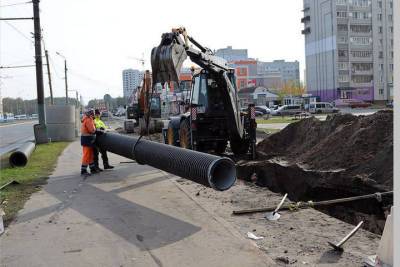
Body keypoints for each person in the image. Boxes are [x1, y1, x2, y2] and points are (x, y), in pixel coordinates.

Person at [80, 109, 99, 175]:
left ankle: (92, 168)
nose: (93, 115)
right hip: (87, 139)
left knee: (90, 154)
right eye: (93, 113)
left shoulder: (87, 119)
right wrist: (97, 131)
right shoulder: (88, 119)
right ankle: (83, 170)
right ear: (90, 114)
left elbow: (93, 127)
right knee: (87, 155)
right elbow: (92, 130)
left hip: (88, 139)